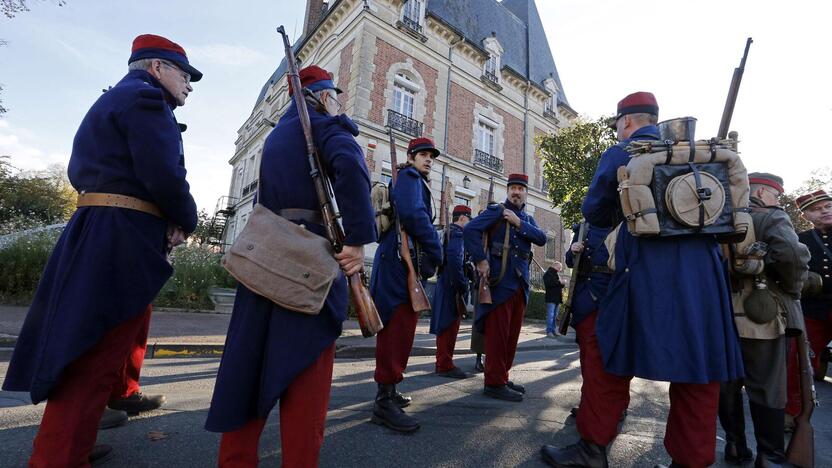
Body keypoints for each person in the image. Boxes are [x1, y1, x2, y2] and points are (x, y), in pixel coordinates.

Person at [2, 34, 201, 466]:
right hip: (120, 236)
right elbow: (164, 175)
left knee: (93, 342)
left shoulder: (121, 98)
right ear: (156, 69)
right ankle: (59, 456)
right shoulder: (148, 102)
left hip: (104, 227)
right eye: (184, 75)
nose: (188, 85)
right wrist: (186, 218)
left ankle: (73, 440)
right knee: (95, 354)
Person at [541, 91, 744, 468]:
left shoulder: (623, 154)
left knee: (610, 359)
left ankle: (591, 449)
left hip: (642, 272)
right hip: (703, 276)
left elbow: (595, 212)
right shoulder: (704, 158)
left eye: (618, 124)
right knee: (699, 369)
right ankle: (692, 460)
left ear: (627, 122)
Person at [204, 65, 375, 467]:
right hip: (307, 260)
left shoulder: (278, 135)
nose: (339, 103)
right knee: (306, 377)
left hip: (262, 257)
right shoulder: (326, 127)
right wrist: (356, 239)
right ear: (323, 95)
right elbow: (352, 169)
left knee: (248, 370)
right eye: (336, 95)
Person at [718, 173, 809, 466]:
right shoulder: (770, 217)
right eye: (776, 195)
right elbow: (793, 257)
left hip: (721, 314)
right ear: (761, 191)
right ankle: (769, 457)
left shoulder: (718, 216)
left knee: (727, 384)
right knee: (767, 386)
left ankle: (734, 446)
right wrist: (792, 290)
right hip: (762, 316)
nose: (777, 201)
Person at [369, 137, 442, 433]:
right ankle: (383, 403)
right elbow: (414, 215)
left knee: (401, 329)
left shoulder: (412, 178)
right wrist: (436, 247)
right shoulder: (411, 177)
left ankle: (389, 391)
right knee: (396, 329)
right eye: (423, 155)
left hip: (401, 263)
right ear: (411, 158)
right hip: (399, 266)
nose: (428, 160)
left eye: (431, 156)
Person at [464, 173, 547, 402]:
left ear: (526, 193)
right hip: (500, 283)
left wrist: (519, 223)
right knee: (498, 337)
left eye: (520, 188)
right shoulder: (497, 211)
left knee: (511, 337)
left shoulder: (527, 219)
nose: (516, 192)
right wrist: (481, 260)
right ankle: (493, 382)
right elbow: (471, 230)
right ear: (508, 190)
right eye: (513, 188)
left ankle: (502, 376)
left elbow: (541, 239)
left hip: (520, 284)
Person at [785, 189, 832, 420]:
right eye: (815, 209)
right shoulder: (800, 240)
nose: (824, 212)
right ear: (805, 216)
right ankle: (793, 413)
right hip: (814, 309)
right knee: (799, 361)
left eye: (827, 206)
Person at [562, 222, 614, 420]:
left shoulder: (622, 224)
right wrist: (573, 251)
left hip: (612, 299)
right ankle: (589, 403)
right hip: (586, 301)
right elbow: (569, 261)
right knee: (588, 357)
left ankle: (613, 406)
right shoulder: (583, 229)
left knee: (611, 357)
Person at [430, 204, 473, 378]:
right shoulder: (458, 234)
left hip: (445, 281)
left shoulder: (449, 232)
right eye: (469, 219)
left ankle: (442, 362)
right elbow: (455, 260)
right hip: (451, 285)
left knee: (445, 324)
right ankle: (445, 364)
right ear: (463, 218)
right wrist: (462, 284)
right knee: (449, 325)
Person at [543, 262, 565, 337]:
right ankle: (549, 331)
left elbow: (560, 285)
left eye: (560, 268)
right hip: (551, 298)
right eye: (559, 268)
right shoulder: (548, 274)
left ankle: (553, 330)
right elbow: (549, 284)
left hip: (557, 298)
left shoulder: (556, 274)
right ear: (554, 266)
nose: (560, 269)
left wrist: (562, 283)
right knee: (550, 315)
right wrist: (560, 282)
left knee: (555, 316)